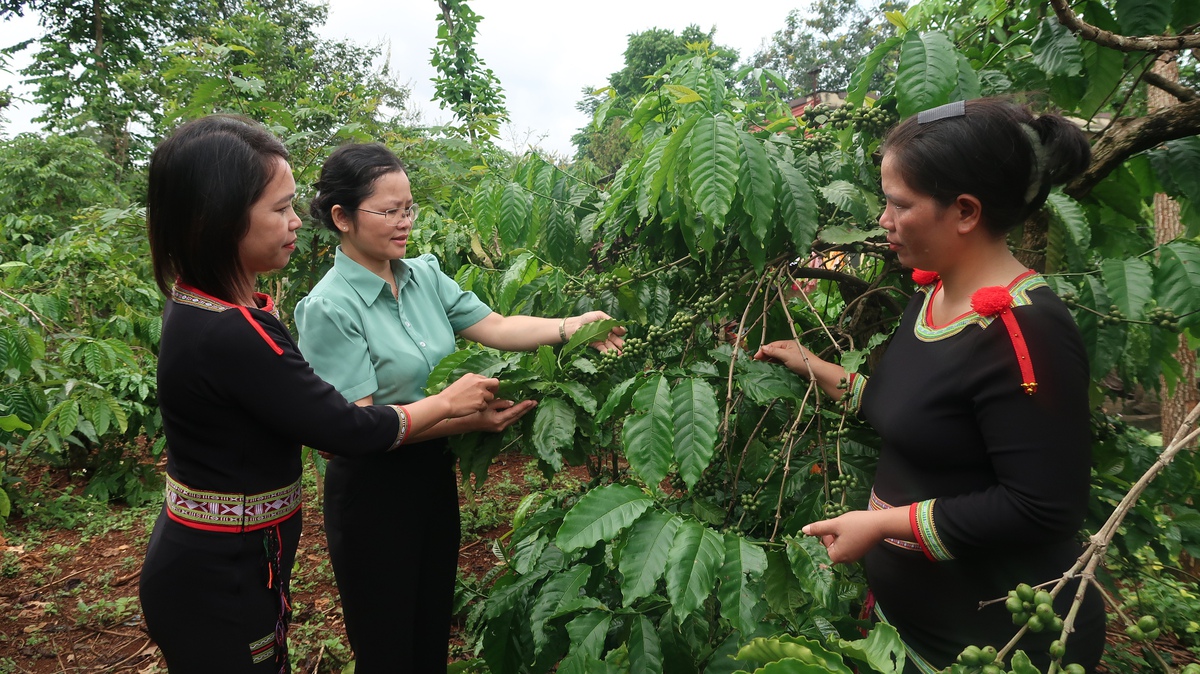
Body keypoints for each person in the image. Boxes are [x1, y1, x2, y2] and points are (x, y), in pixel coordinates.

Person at [139, 115, 500, 674]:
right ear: (219, 219)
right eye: (279, 209)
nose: (294, 224)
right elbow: (345, 428)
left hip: (239, 563)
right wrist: (451, 404)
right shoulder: (233, 331)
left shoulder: (209, 310)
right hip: (221, 577)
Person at [754, 98, 1105, 673]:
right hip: (921, 628)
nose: (884, 222)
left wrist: (882, 523)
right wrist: (815, 366)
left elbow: (1043, 509)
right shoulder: (932, 296)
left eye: (899, 205)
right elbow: (919, 413)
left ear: (965, 211)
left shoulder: (1024, 331)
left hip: (998, 643)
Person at [294, 142, 624, 672]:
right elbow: (355, 428)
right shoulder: (329, 307)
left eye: (409, 209)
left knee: (429, 630)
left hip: (431, 475)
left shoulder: (421, 275)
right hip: (372, 494)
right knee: (387, 643)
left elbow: (494, 327)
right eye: (389, 211)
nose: (404, 223)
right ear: (343, 217)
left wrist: (571, 327)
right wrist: (461, 414)